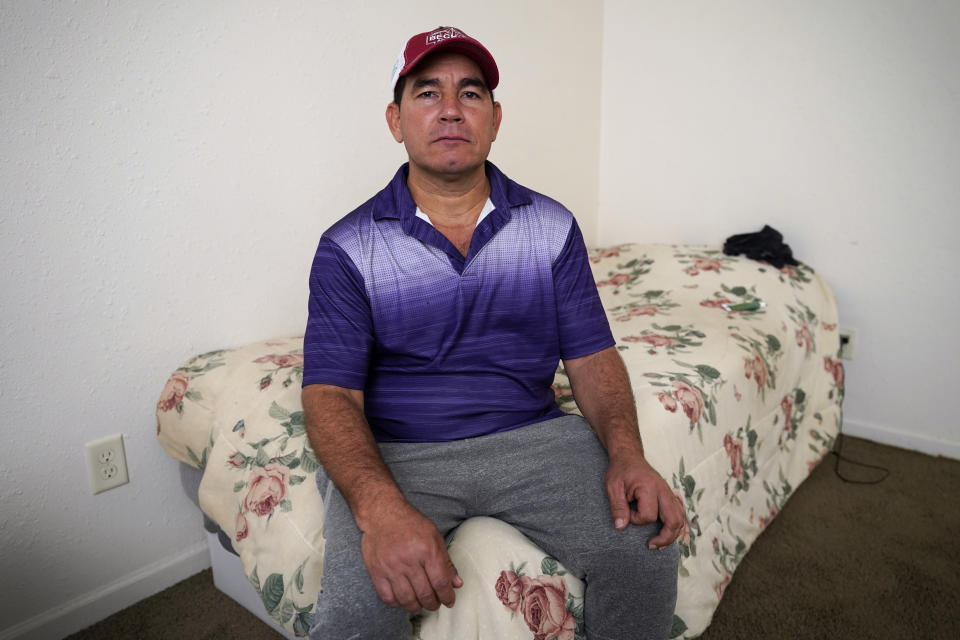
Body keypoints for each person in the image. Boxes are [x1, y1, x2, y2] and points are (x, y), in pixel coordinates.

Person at [302, 26, 683, 639]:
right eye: (428, 93)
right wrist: (379, 510)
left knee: (646, 547)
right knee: (355, 614)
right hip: (401, 451)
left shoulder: (551, 227)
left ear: (495, 119)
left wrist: (628, 454)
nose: (451, 108)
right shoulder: (347, 247)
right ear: (395, 120)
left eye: (470, 93)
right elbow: (330, 395)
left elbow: (590, 358)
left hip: (532, 438)